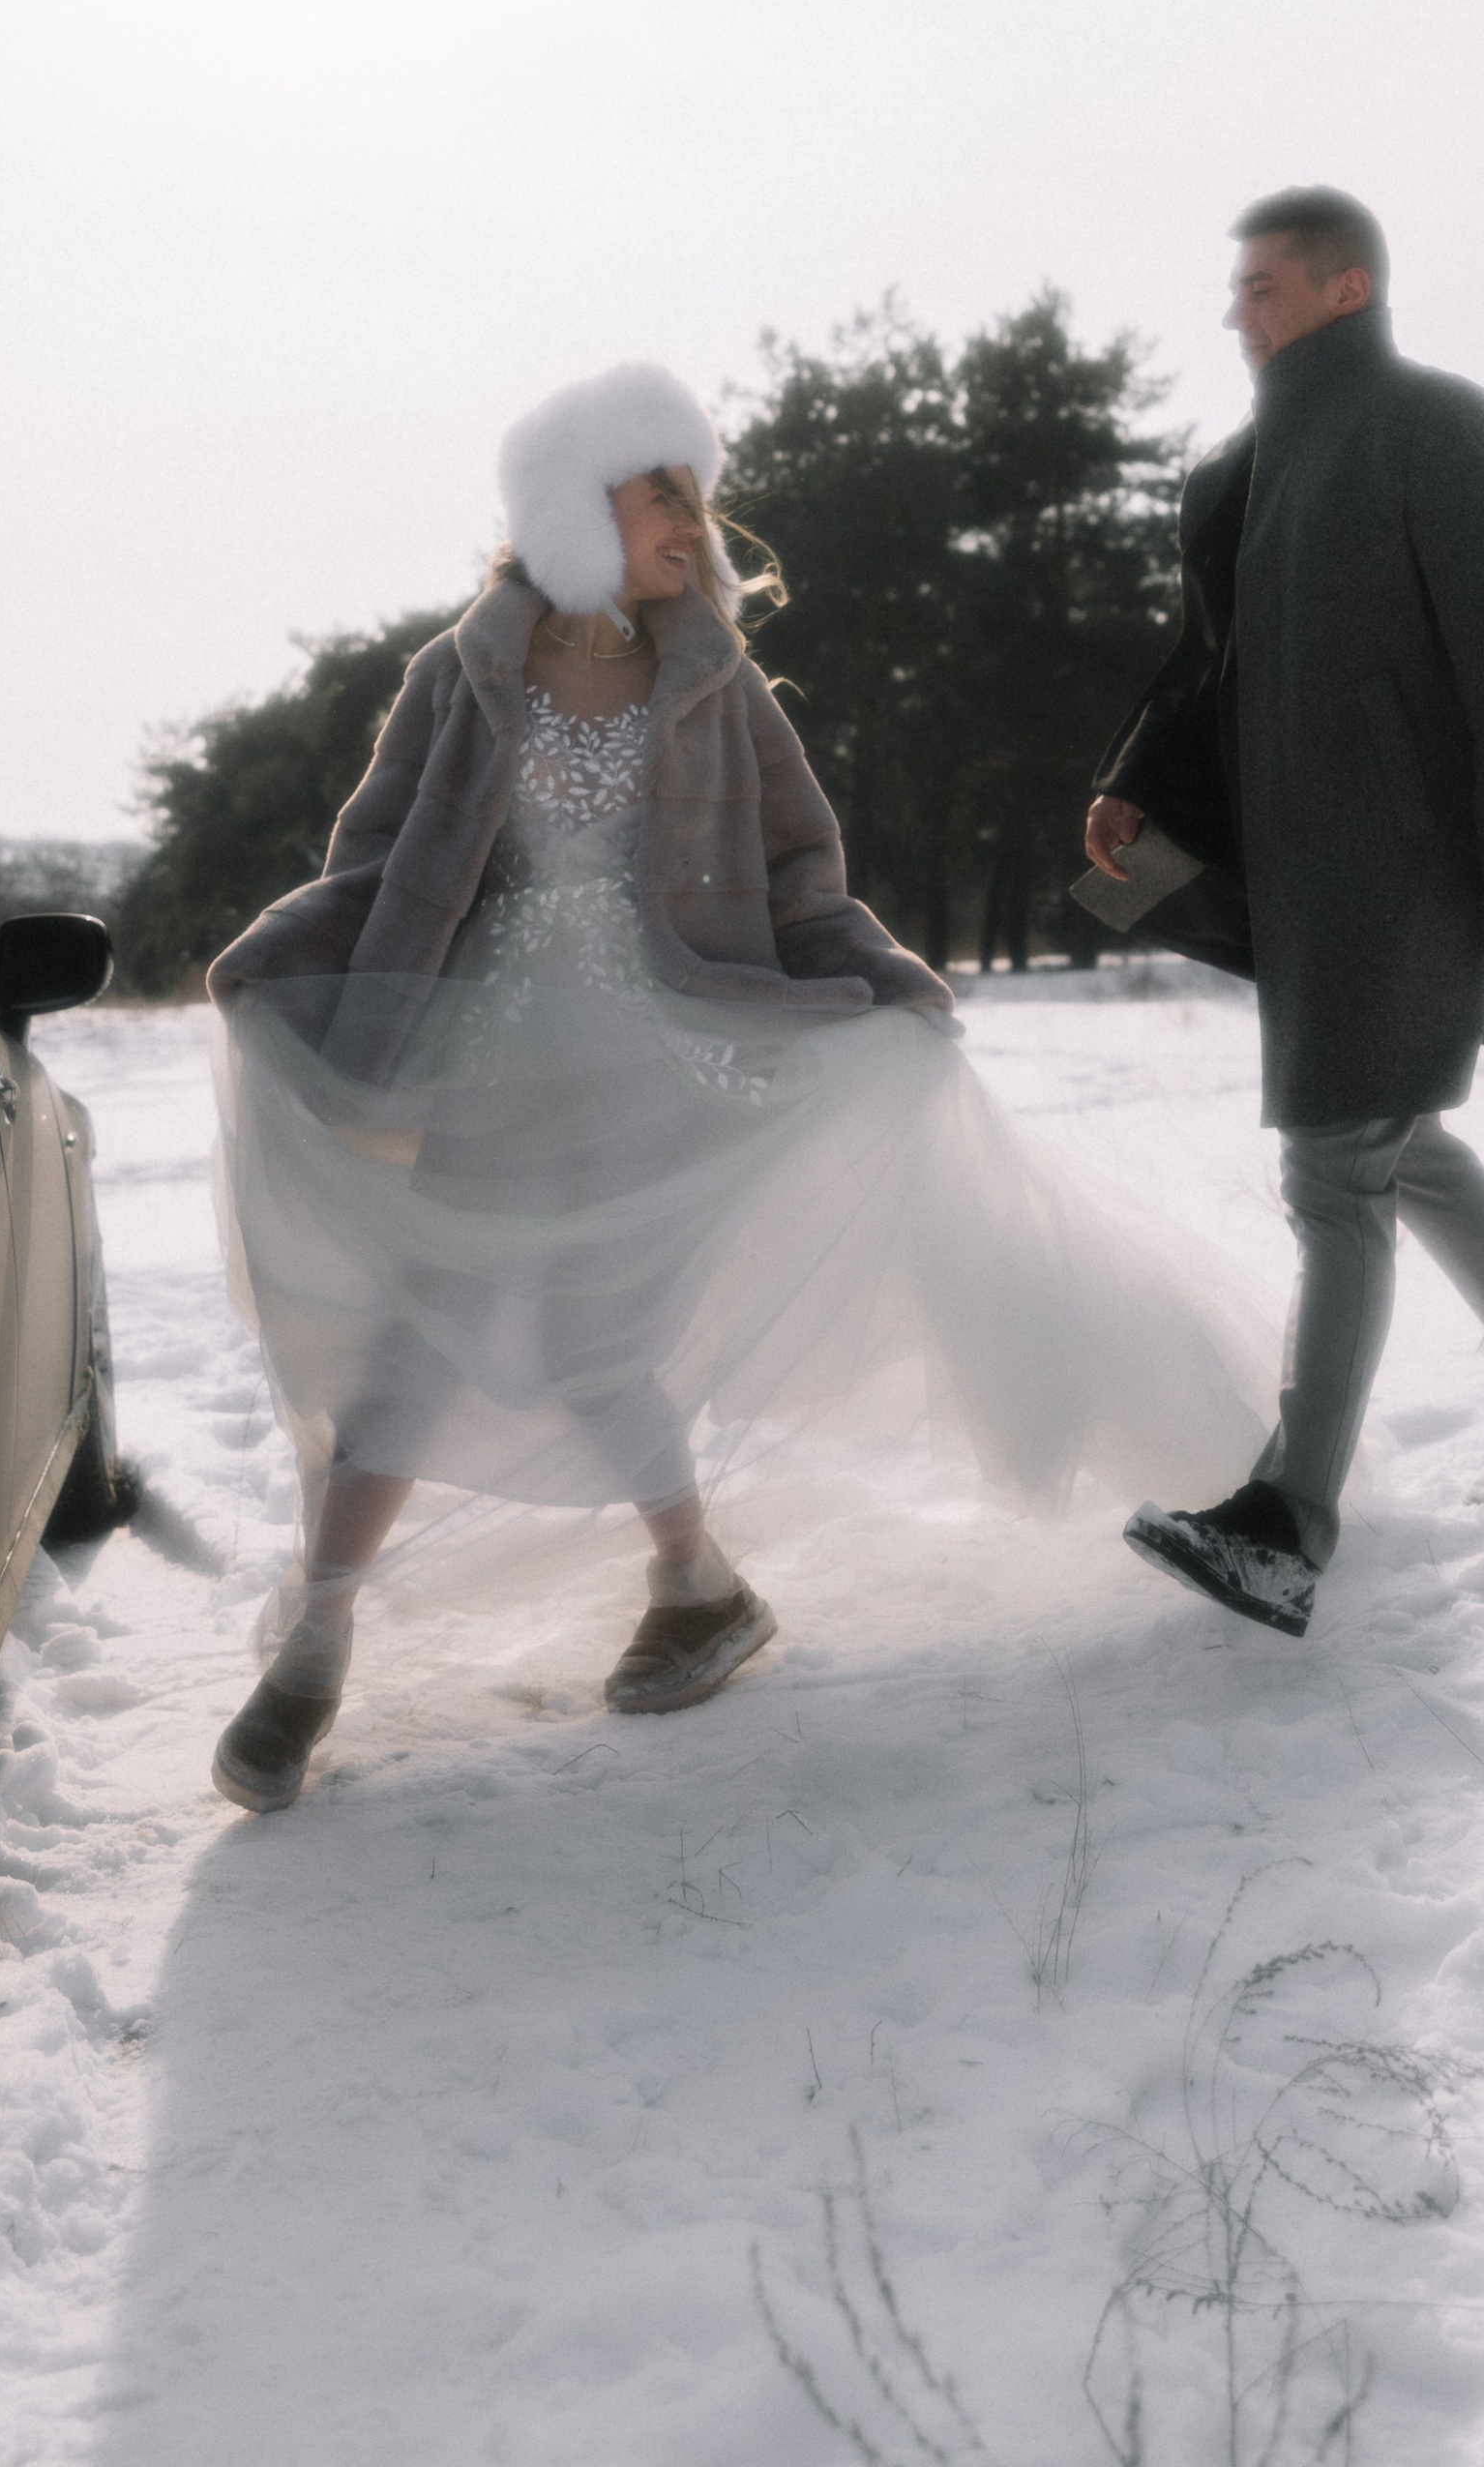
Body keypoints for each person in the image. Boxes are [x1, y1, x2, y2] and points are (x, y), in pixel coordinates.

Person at [205, 361, 1267, 1809]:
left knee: (592, 1352)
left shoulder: (715, 683)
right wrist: (277, 962)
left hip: (662, 1074)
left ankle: (696, 1586)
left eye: (693, 499)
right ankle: (316, 1651)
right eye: (660, 497)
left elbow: (799, 879)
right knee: (413, 1348)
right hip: (489, 1075)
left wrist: (887, 987)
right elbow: (374, 866)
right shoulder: (460, 677)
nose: (688, 527)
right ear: (573, 507)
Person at [1085, 189, 1484, 1643]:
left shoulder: (1431, 420)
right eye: (1237, 290)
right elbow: (1203, 663)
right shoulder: (1234, 469)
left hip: (1410, 862)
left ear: (1348, 291)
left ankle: (1286, 1521)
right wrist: (1136, 782)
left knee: (1336, 1171)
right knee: (1393, 1135)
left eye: (1265, 288)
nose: (1238, 312)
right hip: (1295, 871)